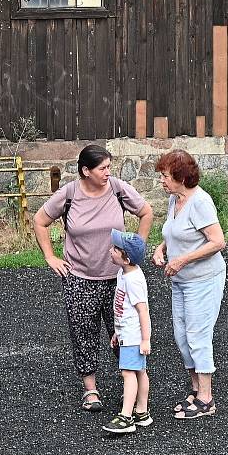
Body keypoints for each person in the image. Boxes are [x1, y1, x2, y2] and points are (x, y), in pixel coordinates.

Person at [33, 144, 153, 411]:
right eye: (103, 168)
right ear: (85, 171)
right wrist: (50, 257)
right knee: (83, 333)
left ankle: (130, 389)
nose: (108, 172)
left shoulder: (118, 189)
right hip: (79, 278)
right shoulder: (69, 194)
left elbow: (146, 212)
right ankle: (91, 390)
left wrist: (136, 249)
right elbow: (39, 221)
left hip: (117, 278)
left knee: (125, 333)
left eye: (109, 167)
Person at [152, 150, 226, 419]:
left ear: (181, 177)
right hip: (180, 281)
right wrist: (162, 248)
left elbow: (218, 242)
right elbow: (175, 231)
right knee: (182, 338)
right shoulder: (175, 199)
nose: (161, 180)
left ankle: (207, 399)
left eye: (165, 176)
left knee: (197, 336)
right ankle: (195, 391)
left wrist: (181, 260)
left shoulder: (200, 202)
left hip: (204, 280)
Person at [102, 229, 152, 434]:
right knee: (139, 370)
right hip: (127, 333)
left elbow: (143, 311)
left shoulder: (134, 280)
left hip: (134, 335)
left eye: (116, 249)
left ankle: (126, 416)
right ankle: (141, 412)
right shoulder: (123, 273)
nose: (111, 251)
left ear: (126, 258)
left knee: (128, 372)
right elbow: (123, 310)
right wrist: (117, 332)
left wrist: (145, 339)